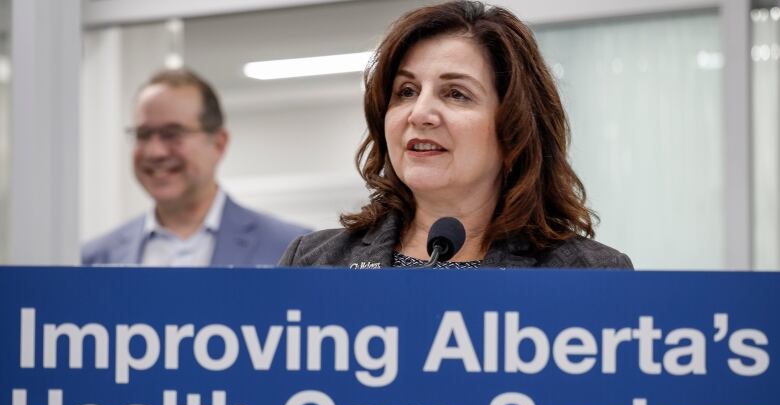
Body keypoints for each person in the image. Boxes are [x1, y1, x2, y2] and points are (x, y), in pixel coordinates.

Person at [280, 1, 631, 269]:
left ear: (515, 127)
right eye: (406, 91)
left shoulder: (589, 274)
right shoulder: (314, 263)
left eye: (456, 94)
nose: (420, 113)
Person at [83, 68, 309, 267]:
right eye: (143, 135)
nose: (155, 152)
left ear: (219, 144)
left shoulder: (293, 250)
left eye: (173, 134)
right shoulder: (93, 259)